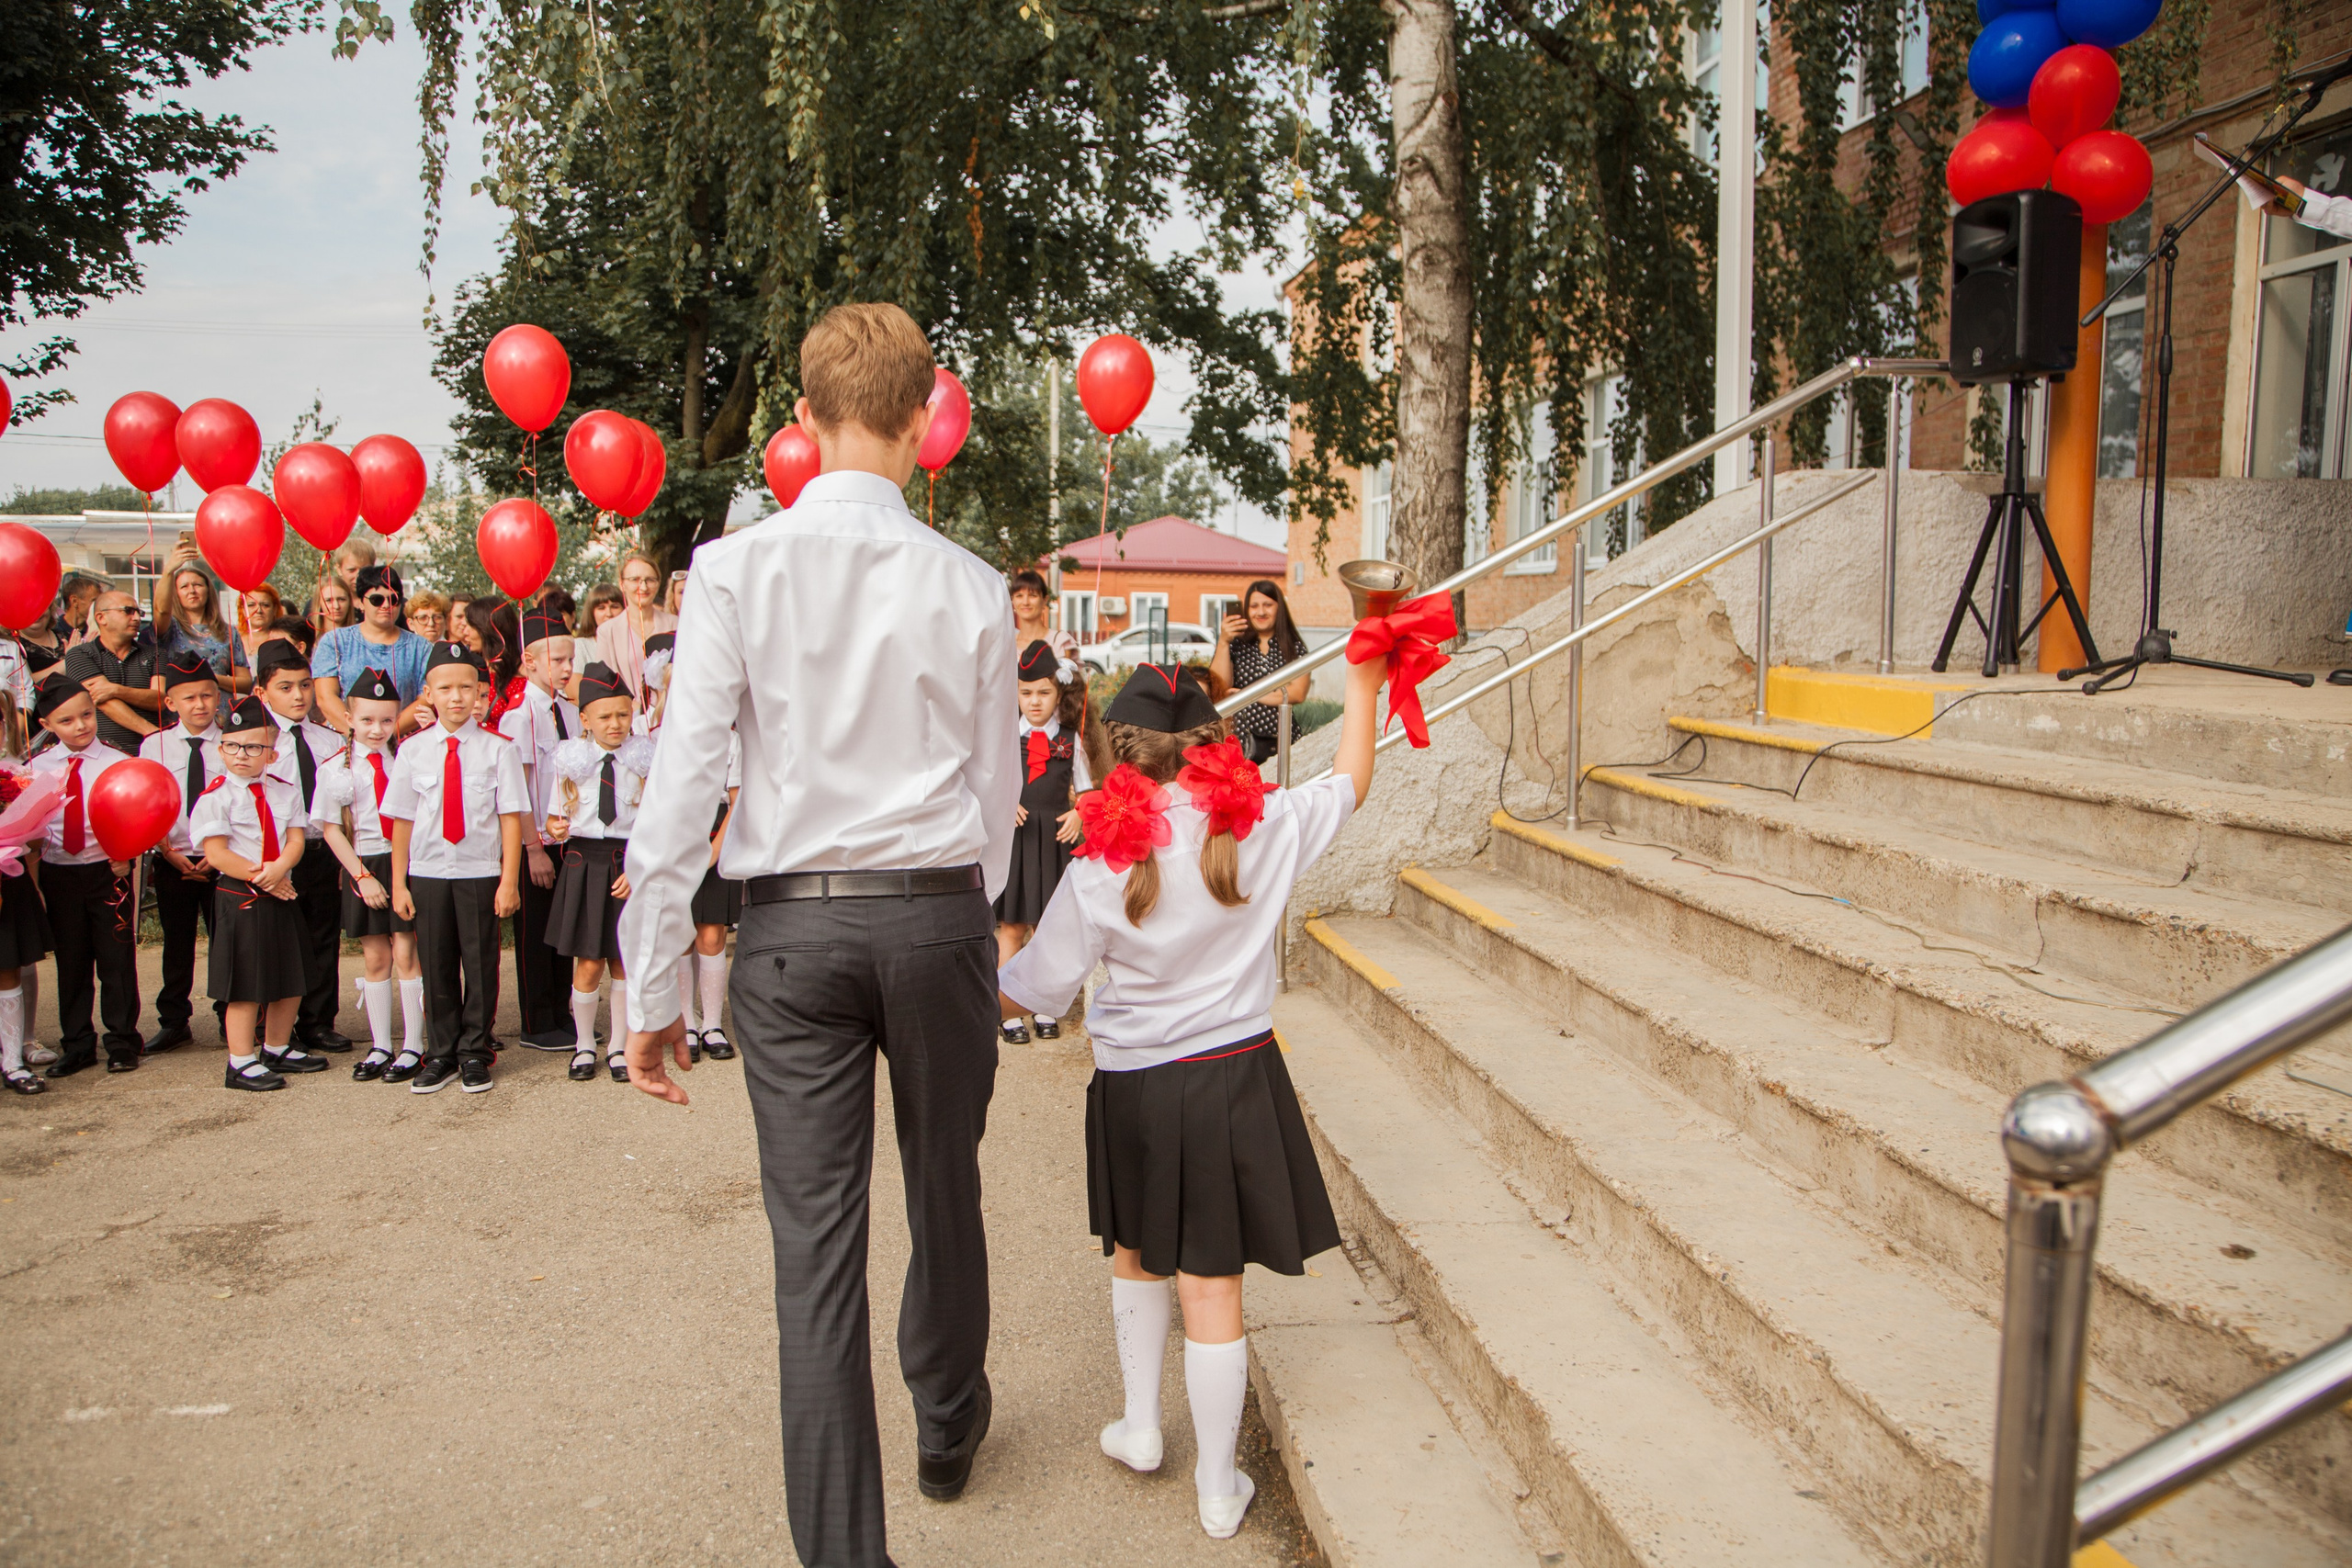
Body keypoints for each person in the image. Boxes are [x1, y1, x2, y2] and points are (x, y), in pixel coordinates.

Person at [619, 300, 1017, 1567]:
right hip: (934, 910)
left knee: (815, 1250)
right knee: (945, 1177)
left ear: (801, 419)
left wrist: (651, 983)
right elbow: (999, 790)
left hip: (788, 931)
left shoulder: (735, 570)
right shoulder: (971, 583)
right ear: (923, 422)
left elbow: (684, 784)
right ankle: (948, 1415)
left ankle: (847, 1555)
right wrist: (967, 914)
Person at [996, 652, 1382, 1540]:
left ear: (1116, 755)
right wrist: (1363, 677)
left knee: (1135, 1251)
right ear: (1211, 745)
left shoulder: (1101, 861)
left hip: (1134, 1084)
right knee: (1214, 1291)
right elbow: (1352, 779)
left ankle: (1140, 1426)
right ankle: (1216, 1485)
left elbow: (1034, 988)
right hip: (1235, 1074)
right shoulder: (1265, 823)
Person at [383, 641, 526, 1096]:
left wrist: (508, 880)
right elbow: (401, 822)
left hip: (480, 872)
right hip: (427, 873)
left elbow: (510, 819)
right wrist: (399, 884)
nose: (457, 697)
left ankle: (474, 1053)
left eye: (467, 687)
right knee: (436, 963)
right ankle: (440, 1053)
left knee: (481, 965)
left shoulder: (498, 750)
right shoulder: (412, 752)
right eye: (445, 688)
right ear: (428, 693)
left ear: (481, 692)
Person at [195, 694, 324, 1091]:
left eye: (253, 747)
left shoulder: (285, 791)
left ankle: (278, 1046)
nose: (242, 755)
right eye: (232, 746)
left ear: (270, 753)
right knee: (245, 983)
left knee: (291, 974)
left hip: (280, 889)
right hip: (241, 896)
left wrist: (281, 868)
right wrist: (265, 877)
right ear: (220, 749)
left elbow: (296, 840)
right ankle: (240, 1060)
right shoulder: (215, 796)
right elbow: (216, 853)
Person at [311, 669, 425, 1081]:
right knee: (376, 957)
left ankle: (414, 1045)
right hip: (364, 865)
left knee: (407, 952)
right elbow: (331, 830)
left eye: (387, 720)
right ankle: (380, 1046)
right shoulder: (334, 769)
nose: (377, 730)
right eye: (366, 720)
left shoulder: (407, 759)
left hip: (405, 861)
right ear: (348, 718)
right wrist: (362, 877)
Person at [26, 675, 141, 1077]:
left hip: (108, 871)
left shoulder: (118, 763)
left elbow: (137, 816)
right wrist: (36, 880)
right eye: (67, 721)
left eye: (87, 715)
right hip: (60, 874)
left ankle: (123, 1041)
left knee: (116, 959)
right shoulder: (36, 768)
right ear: (47, 726)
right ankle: (77, 1043)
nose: (81, 726)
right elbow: (32, 828)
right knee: (72, 961)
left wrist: (129, 853)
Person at [545, 663, 650, 1083]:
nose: (615, 724)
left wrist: (640, 867)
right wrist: (554, 828)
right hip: (583, 865)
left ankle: (618, 1047)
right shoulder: (572, 759)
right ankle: (584, 1044)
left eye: (623, 714)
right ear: (584, 719)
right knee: (588, 963)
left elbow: (659, 822)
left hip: (629, 862)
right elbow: (555, 819)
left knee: (623, 962)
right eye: (604, 716)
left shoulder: (645, 760)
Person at [993, 639, 1095, 1042]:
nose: (1034, 702)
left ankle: (1042, 1005)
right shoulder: (1003, 738)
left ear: (1059, 694)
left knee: (1048, 927)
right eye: (1025, 692)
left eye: (1044, 692)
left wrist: (1079, 812)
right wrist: (1002, 804)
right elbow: (989, 786)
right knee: (1013, 926)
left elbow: (1086, 793)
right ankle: (1007, 1011)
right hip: (1016, 843)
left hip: (1055, 840)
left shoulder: (1072, 740)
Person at [254, 640, 353, 1055]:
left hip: (320, 850)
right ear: (262, 693)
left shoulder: (329, 741)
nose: (298, 696)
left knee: (322, 937)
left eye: (305, 685)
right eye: (285, 687)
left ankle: (318, 1020)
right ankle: (270, 1025)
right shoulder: (256, 742)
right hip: (274, 856)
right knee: (274, 940)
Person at [498, 606, 582, 1051]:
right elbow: (518, 792)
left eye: (571, 659)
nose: (567, 668)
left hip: (567, 837)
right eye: (557, 661)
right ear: (529, 661)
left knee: (561, 930)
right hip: (537, 841)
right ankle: (536, 1020)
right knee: (535, 933)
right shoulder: (520, 714)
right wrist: (532, 848)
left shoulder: (565, 710)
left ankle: (562, 1011)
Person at [138, 653, 226, 1055]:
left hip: (221, 859)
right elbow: (146, 803)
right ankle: (174, 1021)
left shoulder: (230, 742)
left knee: (226, 942)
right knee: (176, 943)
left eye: (207, 695)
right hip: (171, 856)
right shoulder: (153, 745)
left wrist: (218, 853)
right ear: (170, 702)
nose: (200, 704)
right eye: (189, 697)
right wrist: (167, 851)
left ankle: (232, 1015)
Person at [313, 565, 434, 735]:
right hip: (348, 742)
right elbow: (325, 698)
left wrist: (385, 735)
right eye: (377, 599)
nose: (386, 605)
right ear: (361, 602)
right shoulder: (335, 641)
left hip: (402, 743)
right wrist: (359, 736)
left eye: (393, 599)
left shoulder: (421, 648)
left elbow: (426, 700)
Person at [1208, 579, 1311, 765]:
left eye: (1268, 605)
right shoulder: (1237, 645)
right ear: (1246, 610)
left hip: (1282, 740)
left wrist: (1247, 695)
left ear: (1279, 608)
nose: (1261, 612)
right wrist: (1224, 642)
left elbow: (1298, 693)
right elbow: (1219, 686)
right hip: (1242, 743)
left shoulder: (1293, 646)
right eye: (1254, 606)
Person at [62, 590, 160, 757]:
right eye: (128, 611)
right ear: (101, 618)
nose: (137, 618)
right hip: (101, 754)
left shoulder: (155, 653)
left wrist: (115, 690)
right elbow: (101, 699)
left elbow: (159, 699)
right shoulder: (80, 654)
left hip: (151, 751)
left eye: (139, 612)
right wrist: (155, 733)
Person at [151, 547, 248, 687]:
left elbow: (245, 683)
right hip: (182, 704)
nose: (192, 591)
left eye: (198, 585)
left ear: (208, 590)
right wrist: (168, 571)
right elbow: (161, 611)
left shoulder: (229, 632)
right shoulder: (170, 628)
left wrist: (208, 677)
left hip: (220, 705)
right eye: (184, 587)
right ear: (175, 593)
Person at [594, 554, 675, 702]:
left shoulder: (675, 624)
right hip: (628, 715)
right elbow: (606, 682)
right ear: (622, 584)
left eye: (650, 580)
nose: (643, 587)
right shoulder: (607, 631)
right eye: (635, 580)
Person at [467, 597, 526, 730]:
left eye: (471, 626)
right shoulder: (471, 669)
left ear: (487, 629)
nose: (466, 632)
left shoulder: (522, 675)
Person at [1008, 569, 1077, 660]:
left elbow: (1066, 673)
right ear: (1012, 600)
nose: (1025, 602)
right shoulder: (1007, 644)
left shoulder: (1059, 642)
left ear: (1044, 600)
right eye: (1019, 596)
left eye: (1033, 595)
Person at [234, 583, 286, 686]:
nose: (259, 610)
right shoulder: (233, 638)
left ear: (275, 609)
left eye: (265, 605)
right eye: (251, 605)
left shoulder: (282, 640)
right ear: (243, 610)